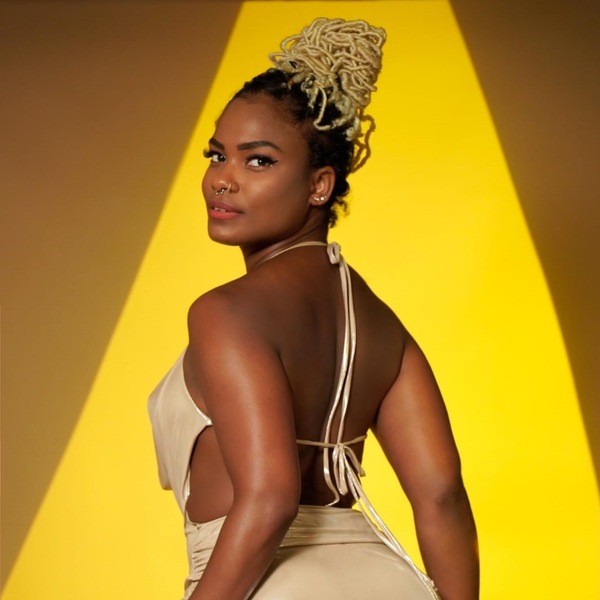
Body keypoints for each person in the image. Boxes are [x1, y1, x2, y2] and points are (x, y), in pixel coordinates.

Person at [148, 17, 479, 600]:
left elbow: (271, 498)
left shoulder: (225, 313)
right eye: (217, 155)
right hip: (392, 584)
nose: (223, 180)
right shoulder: (381, 325)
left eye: (258, 161)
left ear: (320, 185)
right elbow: (441, 496)